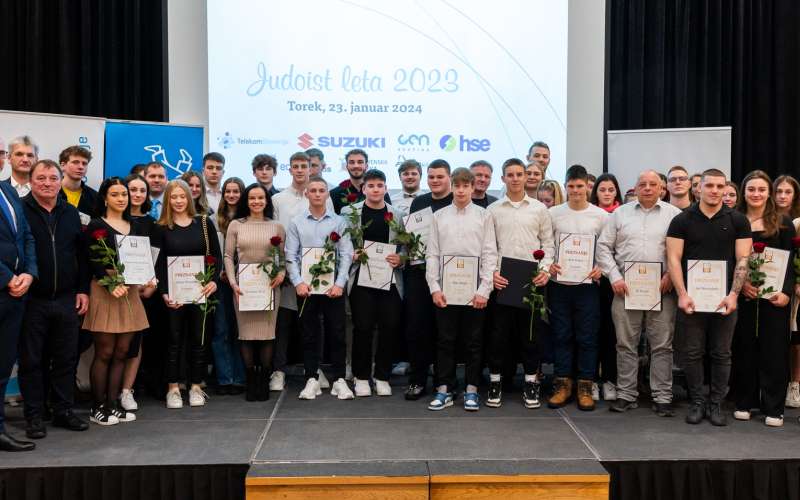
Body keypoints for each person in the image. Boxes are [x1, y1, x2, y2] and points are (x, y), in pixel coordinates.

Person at [666, 168, 752, 426]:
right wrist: (682, 294)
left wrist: (734, 294)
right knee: (691, 352)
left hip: (725, 300)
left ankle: (715, 404)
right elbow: (673, 258)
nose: (715, 191)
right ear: (698, 188)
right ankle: (697, 402)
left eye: (719, 186)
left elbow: (743, 259)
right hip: (691, 299)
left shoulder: (738, 220)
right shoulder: (682, 220)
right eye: (709, 186)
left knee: (721, 353)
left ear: (725, 189)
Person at [596, 170, 682, 416]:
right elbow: (603, 248)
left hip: (662, 290)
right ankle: (626, 394)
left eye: (652, 184)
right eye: (642, 184)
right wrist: (615, 277)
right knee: (625, 344)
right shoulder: (620, 214)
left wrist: (671, 277)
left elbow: (681, 251)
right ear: (635, 187)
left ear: (661, 189)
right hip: (625, 289)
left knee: (662, 346)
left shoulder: (674, 215)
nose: (647, 188)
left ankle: (663, 396)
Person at [19, 159, 90, 438]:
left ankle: (63, 410)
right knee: (31, 360)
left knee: (65, 358)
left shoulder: (71, 213)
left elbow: (82, 256)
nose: (47, 183)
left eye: (52, 178)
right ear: (31, 180)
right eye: (41, 178)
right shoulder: (18, 210)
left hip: (66, 299)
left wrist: (83, 289)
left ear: (60, 181)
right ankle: (34, 415)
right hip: (31, 300)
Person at [84, 177, 155, 425]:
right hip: (106, 290)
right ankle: (97, 407)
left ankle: (113, 405)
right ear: (105, 198)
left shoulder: (133, 225)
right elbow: (91, 261)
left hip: (130, 292)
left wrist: (149, 278)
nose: (121, 198)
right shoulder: (95, 226)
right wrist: (109, 282)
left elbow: (141, 258)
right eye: (115, 194)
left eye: (124, 194)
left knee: (123, 352)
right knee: (104, 351)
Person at [425, 168, 496, 411]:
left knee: (474, 342)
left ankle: (472, 389)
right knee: (445, 340)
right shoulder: (439, 216)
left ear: (473, 187)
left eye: (467, 186)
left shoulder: (484, 216)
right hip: (446, 289)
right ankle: (445, 388)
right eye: (458, 185)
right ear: (452, 187)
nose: (462, 190)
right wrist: (434, 287)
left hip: (474, 290)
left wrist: (484, 290)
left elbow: (489, 254)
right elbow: (432, 254)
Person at [486, 158, 554, 409]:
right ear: (503, 179)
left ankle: (530, 381)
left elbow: (548, 245)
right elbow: (488, 247)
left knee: (531, 336)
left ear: (526, 178)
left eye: (519, 174)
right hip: (502, 281)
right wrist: (492, 272)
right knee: (498, 335)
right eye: (510, 175)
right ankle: (495, 381)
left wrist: (545, 270)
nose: (515, 178)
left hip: (532, 281)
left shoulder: (539, 209)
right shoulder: (493, 210)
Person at [731, 171, 794, 427]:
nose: (756, 194)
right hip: (744, 295)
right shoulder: (735, 220)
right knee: (743, 346)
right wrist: (741, 284)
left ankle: (773, 407)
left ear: (769, 193)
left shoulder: (783, 222)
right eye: (751, 189)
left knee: (774, 349)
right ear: (744, 192)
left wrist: (787, 292)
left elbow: (790, 262)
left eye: (761, 189)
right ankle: (744, 401)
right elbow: (730, 259)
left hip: (774, 296)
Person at [286, 176, 355, 400]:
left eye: (321, 190)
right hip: (306, 288)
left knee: (337, 332)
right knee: (309, 333)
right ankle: (312, 378)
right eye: (313, 190)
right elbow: (291, 255)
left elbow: (346, 254)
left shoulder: (339, 222)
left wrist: (339, 283)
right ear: (306, 193)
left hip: (331, 289)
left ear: (327, 194)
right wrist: (297, 282)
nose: (317, 194)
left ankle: (338, 380)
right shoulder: (296, 222)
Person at [270, 152, 334, 392]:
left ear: (311, 169)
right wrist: (280, 267)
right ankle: (278, 370)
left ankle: (314, 369)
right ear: (290, 169)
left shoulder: (322, 195)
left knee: (314, 322)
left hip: (319, 272)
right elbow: (274, 235)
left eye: (304, 166)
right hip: (289, 269)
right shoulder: (278, 199)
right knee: (283, 321)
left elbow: (332, 232)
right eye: (295, 166)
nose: (299, 170)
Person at [547, 165, 609, 411]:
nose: (575, 190)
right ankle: (562, 384)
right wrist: (549, 263)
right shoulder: (553, 214)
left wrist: (600, 268)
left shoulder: (601, 216)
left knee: (587, 336)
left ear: (587, 187)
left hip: (588, 286)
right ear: (565, 186)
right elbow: (547, 244)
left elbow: (607, 248)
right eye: (570, 186)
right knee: (561, 335)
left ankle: (585, 385)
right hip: (559, 284)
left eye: (579, 186)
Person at [156, 180, 222, 408]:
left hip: (201, 292)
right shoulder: (161, 227)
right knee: (173, 341)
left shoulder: (203, 223)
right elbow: (158, 265)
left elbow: (216, 256)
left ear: (190, 198)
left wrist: (213, 281)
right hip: (173, 295)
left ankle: (195, 386)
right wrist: (164, 292)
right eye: (173, 197)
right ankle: (173, 387)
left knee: (199, 339)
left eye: (182, 196)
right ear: (167, 199)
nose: (178, 201)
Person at [342, 170, 404, 397]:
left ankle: (382, 377)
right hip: (361, 280)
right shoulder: (348, 212)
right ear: (363, 189)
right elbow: (342, 244)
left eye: (380, 185)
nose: (376, 189)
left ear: (386, 188)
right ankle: (361, 377)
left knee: (389, 328)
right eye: (371, 185)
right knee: (363, 328)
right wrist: (351, 255)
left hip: (389, 282)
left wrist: (401, 259)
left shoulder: (396, 214)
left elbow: (405, 246)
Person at [225, 183, 285, 401]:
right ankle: (252, 382)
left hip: (269, 288)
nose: (256, 202)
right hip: (243, 288)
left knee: (267, 334)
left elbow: (281, 257)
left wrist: (281, 273)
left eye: (261, 198)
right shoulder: (235, 225)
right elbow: (227, 257)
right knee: (247, 335)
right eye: (252, 198)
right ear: (246, 201)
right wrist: (233, 282)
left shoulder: (276, 226)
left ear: (267, 201)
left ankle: (263, 382)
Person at [403, 159, 454, 400]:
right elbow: (412, 237)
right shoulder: (420, 202)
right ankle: (417, 380)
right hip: (418, 272)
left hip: (449, 274)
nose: (435, 181)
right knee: (417, 328)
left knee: (445, 330)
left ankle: (445, 381)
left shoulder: (458, 202)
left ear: (450, 178)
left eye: (440, 177)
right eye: (431, 177)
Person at [0, 167, 37, 452]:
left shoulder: (9, 191)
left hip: (15, 294)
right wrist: (7, 277)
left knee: (3, 367)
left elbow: (26, 236)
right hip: (5, 285)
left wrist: (29, 273)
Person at [117, 174, 159, 412]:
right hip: (116, 291)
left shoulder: (151, 224)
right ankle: (112, 389)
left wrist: (152, 284)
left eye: (142, 190)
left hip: (144, 293)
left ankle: (127, 390)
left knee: (136, 343)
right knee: (115, 344)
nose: (137, 194)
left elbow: (155, 257)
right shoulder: (113, 222)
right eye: (132, 189)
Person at [589, 172, 624, 400]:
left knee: (613, 334)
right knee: (592, 331)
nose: (607, 194)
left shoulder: (623, 214)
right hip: (590, 281)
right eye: (602, 190)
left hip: (615, 283)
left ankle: (610, 380)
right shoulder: (589, 214)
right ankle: (590, 380)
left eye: (611, 190)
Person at [213, 177, 247, 396]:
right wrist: (221, 272)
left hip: (245, 282)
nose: (232, 195)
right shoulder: (214, 220)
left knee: (240, 330)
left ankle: (240, 377)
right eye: (228, 191)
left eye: (236, 191)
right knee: (221, 330)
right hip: (220, 281)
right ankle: (224, 378)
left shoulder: (249, 220)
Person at [774, 175, 800, 408]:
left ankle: (795, 384)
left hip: (795, 288)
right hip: (776, 289)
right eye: (778, 191)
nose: (782, 196)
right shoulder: (768, 219)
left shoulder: (798, 221)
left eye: (788, 192)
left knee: (796, 340)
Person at [58, 145, 99, 223]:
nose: (81, 167)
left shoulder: (95, 197)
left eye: (84, 163)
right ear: (63, 166)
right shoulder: (51, 193)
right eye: (75, 162)